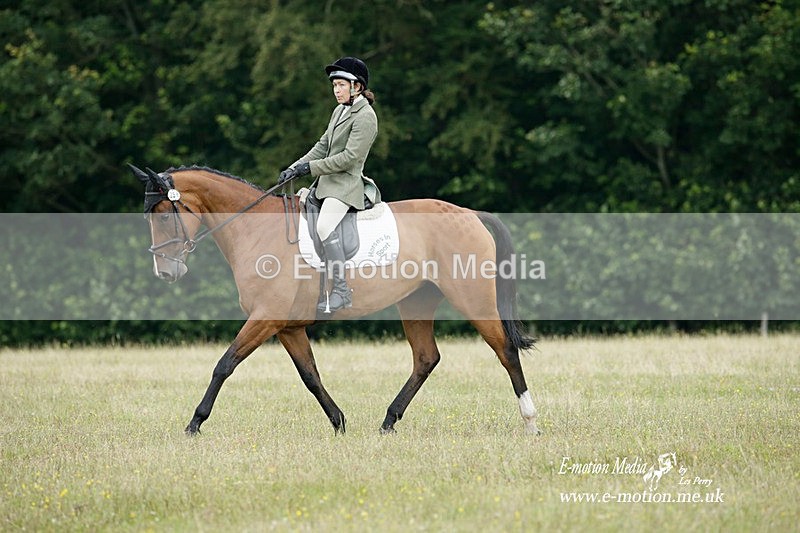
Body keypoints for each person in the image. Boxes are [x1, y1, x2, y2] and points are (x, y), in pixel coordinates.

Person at [278, 56, 378, 313]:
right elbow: (322, 146)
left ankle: (342, 291)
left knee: (324, 226)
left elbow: (350, 158)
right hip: (324, 184)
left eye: (341, 85)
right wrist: (294, 167)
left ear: (357, 86)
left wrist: (309, 168)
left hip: (346, 187)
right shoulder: (339, 111)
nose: (336, 90)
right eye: (334, 86)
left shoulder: (366, 116)